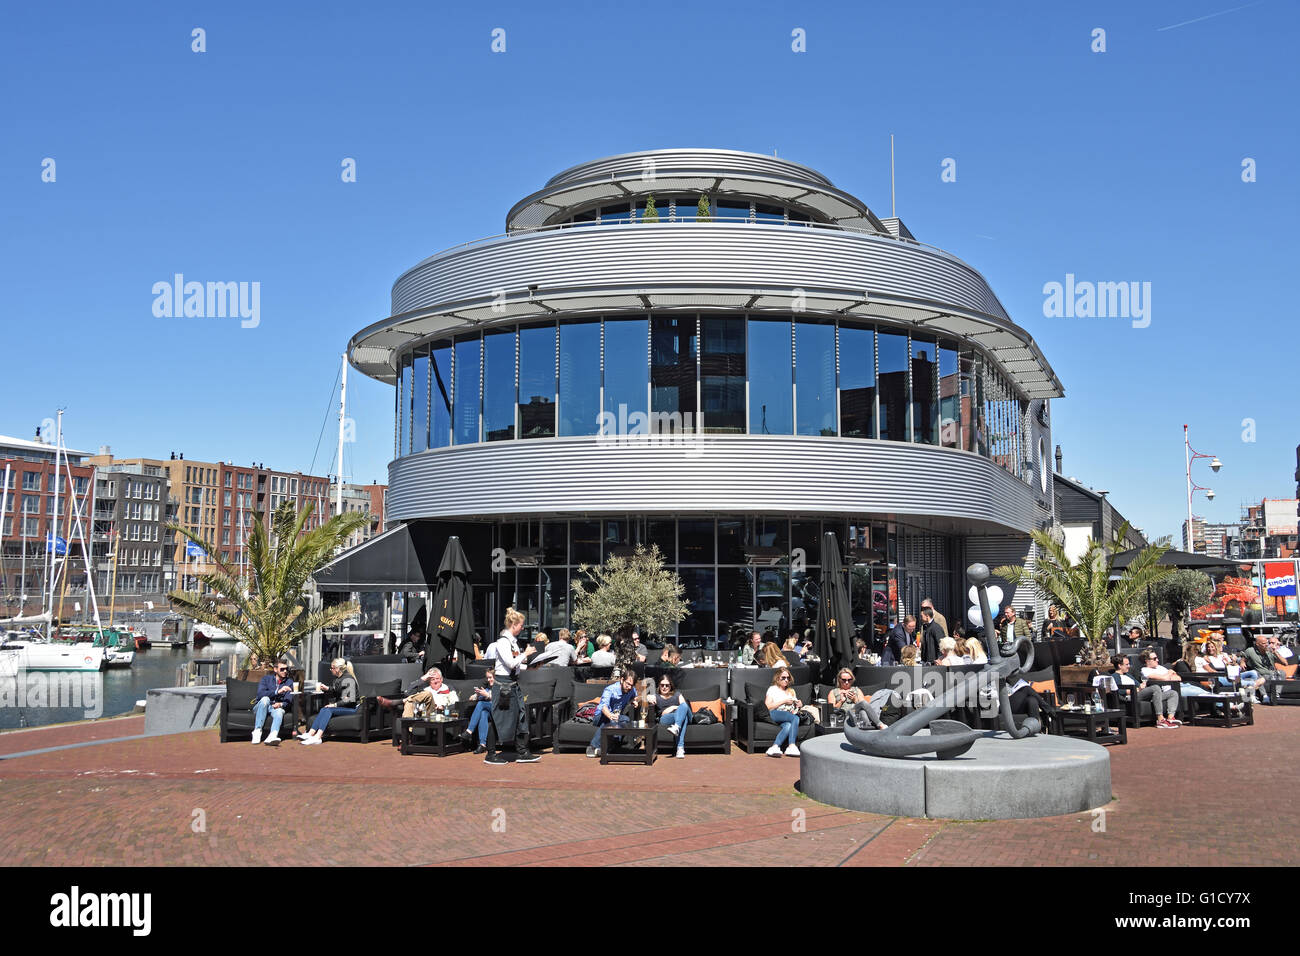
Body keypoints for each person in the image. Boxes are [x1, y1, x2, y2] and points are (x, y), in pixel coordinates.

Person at [485, 607, 540, 764]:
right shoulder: (502, 642)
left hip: (512, 684)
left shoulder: (513, 642)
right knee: (498, 719)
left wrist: (530, 667)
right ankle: (490, 754)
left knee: (520, 716)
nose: (522, 628)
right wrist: (526, 654)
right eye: (521, 625)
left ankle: (522, 752)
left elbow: (515, 665)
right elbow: (509, 663)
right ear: (514, 624)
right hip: (503, 686)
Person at [298, 658, 359, 745]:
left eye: (332, 668)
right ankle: (310, 734)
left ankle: (318, 737)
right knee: (324, 709)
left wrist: (334, 705)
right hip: (344, 707)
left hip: (352, 708)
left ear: (337, 669)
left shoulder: (348, 679)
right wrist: (327, 688)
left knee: (328, 709)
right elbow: (338, 690)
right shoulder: (339, 679)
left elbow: (349, 699)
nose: (330, 670)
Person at [1111, 653, 1179, 728]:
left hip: (1141, 694)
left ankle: (1170, 718)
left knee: (1173, 693)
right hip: (1132, 696)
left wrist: (1142, 685)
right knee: (1155, 687)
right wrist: (1136, 690)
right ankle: (1160, 719)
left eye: (1128, 664)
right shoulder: (1115, 676)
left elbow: (1138, 685)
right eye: (1126, 664)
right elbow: (1119, 690)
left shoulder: (1128, 675)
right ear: (1119, 665)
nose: (1129, 666)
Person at [586, 668, 639, 758]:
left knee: (625, 719)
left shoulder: (631, 690)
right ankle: (592, 747)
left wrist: (634, 701)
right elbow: (603, 706)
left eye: (632, 685)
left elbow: (635, 696)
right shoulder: (610, 690)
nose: (629, 687)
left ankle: (608, 747)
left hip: (616, 717)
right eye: (628, 684)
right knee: (609, 720)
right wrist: (610, 716)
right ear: (622, 680)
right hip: (600, 716)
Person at [251, 659, 294, 745]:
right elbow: (260, 694)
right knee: (265, 699)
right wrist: (277, 692)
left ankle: (272, 735)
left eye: (286, 669)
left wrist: (281, 704)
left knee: (279, 711)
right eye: (282, 669)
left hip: (274, 708)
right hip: (261, 706)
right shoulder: (266, 679)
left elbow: (289, 699)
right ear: (275, 669)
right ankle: (257, 731)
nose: (285, 671)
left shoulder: (289, 682)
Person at [764, 667, 802, 758]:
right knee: (795, 718)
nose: (786, 680)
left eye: (788, 678)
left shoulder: (791, 691)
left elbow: (794, 708)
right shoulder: (773, 689)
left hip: (787, 715)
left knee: (788, 725)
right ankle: (791, 745)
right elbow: (767, 707)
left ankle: (774, 747)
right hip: (774, 713)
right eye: (783, 678)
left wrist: (799, 705)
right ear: (777, 678)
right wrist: (784, 701)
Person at [652, 674, 689, 758]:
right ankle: (680, 748)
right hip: (666, 718)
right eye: (662, 685)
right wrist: (648, 697)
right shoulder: (656, 697)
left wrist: (673, 708)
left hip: (684, 713)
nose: (664, 687)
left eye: (667, 685)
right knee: (684, 718)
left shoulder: (677, 694)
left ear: (670, 686)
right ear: (659, 686)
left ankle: (676, 727)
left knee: (683, 708)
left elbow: (685, 707)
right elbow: (642, 698)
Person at [1240, 634, 1279, 702]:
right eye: (1264, 643)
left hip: (1271, 673)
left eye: (1267, 642)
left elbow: (1285, 663)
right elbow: (1243, 659)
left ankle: (1276, 695)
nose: (1266, 644)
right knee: (1256, 673)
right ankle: (1264, 696)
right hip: (1259, 673)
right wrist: (1242, 662)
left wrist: (1275, 652)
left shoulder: (1270, 651)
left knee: (1281, 673)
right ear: (1257, 644)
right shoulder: (1250, 651)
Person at [463, 669, 495, 753]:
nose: (488, 680)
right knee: (483, 713)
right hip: (490, 712)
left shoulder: (500, 687)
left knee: (481, 704)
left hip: (499, 711)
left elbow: (499, 701)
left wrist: (487, 696)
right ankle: (482, 744)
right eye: (487, 678)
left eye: (490, 677)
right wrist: (476, 695)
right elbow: (473, 698)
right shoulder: (488, 688)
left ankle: (469, 731)